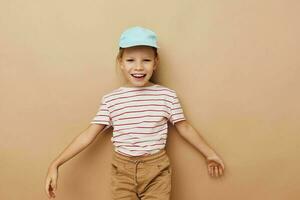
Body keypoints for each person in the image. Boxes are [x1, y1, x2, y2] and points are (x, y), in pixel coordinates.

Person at [45, 26, 225, 200]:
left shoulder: (166, 96)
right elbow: (88, 135)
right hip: (122, 170)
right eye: (131, 60)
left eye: (146, 60)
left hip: (156, 169)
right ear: (121, 63)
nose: (138, 67)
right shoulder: (111, 99)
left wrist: (209, 154)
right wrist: (56, 163)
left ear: (156, 63)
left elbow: (184, 128)